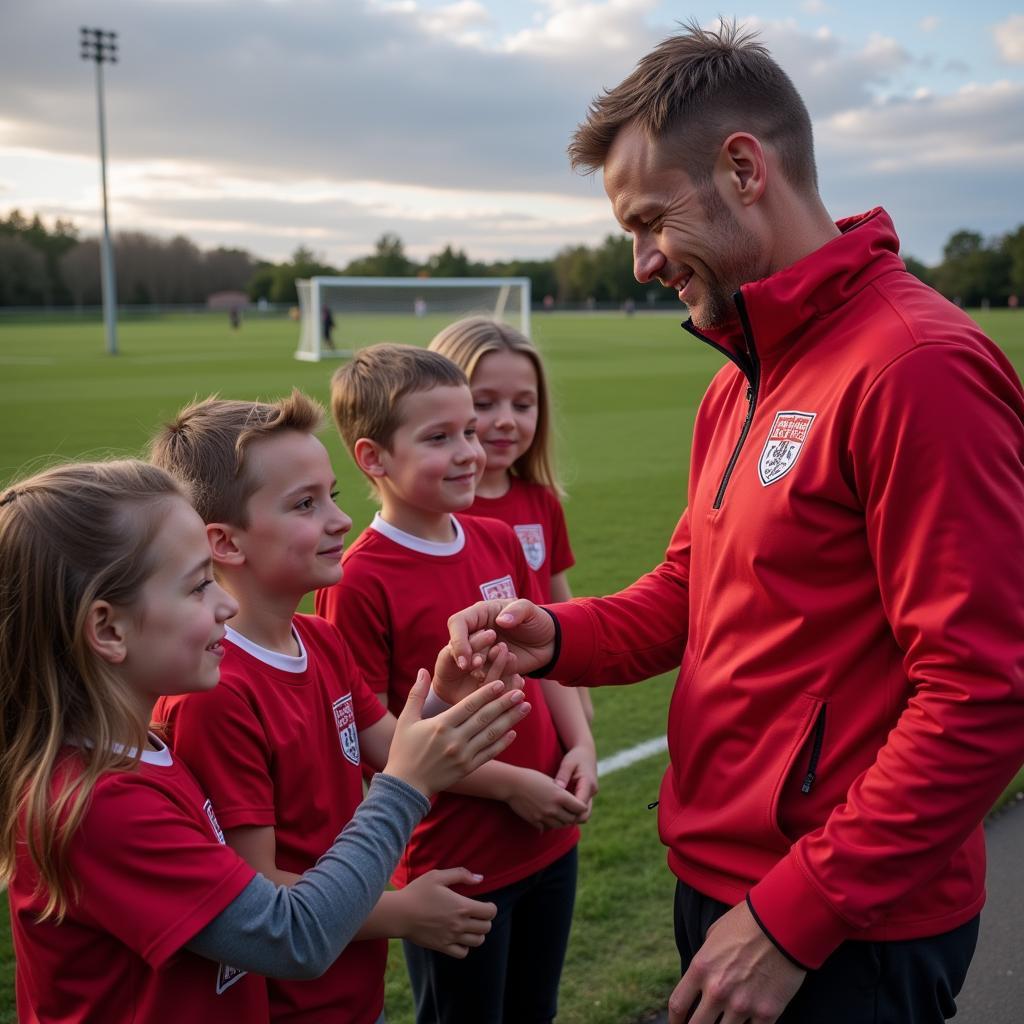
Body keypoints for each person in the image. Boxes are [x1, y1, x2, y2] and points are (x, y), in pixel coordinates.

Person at [446, 21, 1024, 1024]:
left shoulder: (914, 368)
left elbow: (984, 692)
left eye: (649, 220)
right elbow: (689, 588)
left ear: (744, 168)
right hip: (726, 884)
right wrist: (556, 634)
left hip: (841, 922)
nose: (637, 262)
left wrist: (798, 914)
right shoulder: (744, 375)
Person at [0, 460, 530, 1024]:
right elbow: (292, 936)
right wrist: (403, 786)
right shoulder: (96, 803)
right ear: (107, 629)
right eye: (198, 585)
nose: (225, 604)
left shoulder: (144, 751)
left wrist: (444, 710)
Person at [148, 392, 523, 1024]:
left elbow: (387, 746)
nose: (340, 521)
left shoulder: (318, 639)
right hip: (290, 1000)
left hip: (351, 987)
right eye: (305, 504)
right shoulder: (216, 695)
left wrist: (444, 694)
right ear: (226, 543)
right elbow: (258, 895)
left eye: (333, 496)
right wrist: (401, 912)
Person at [315, 343, 598, 1024]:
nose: (470, 450)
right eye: (440, 437)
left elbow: (547, 656)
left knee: (536, 1010)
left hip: (548, 836)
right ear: (372, 459)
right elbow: (378, 742)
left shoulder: (497, 540)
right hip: (458, 861)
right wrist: (509, 784)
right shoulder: (359, 581)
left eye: (468, 429)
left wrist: (581, 744)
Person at [428, 316, 593, 723]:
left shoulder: (542, 502)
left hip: (543, 715)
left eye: (523, 404)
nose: (506, 419)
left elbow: (558, 607)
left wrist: (580, 708)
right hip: (465, 728)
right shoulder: (434, 518)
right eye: (484, 404)